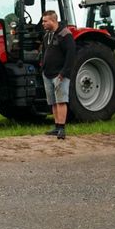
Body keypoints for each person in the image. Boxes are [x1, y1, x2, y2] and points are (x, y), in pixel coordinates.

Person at [39, 10, 76, 140]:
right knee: (53, 102)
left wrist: (63, 73)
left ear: (53, 21)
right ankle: (56, 126)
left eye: (45, 21)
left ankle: (62, 128)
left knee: (61, 101)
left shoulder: (65, 34)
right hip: (47, 73)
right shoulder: (47, 35)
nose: (42, 23)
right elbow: (44, 52)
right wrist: (42, 67)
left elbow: (70, 55)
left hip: (59, 74)